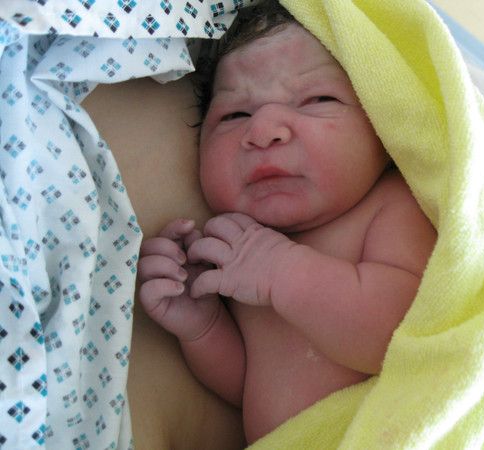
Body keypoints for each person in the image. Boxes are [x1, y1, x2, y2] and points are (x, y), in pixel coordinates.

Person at [136, 1, 436, 443]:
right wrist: (202, 325)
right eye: (235, 115)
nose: (263, 130)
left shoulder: (393, 205)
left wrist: (282, 271)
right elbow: (249, 386)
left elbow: (399, 338)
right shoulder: (244, 246)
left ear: (383, 127)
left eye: (317, 100)